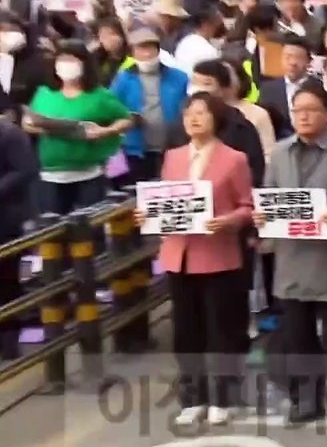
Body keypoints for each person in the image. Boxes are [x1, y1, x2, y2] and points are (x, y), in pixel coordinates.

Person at [258, 81, 327, 427]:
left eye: (311, 110)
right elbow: (268, 196)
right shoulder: (278, 153)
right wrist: (262, 215)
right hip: (291, 260)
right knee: (298, 337)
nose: (303, 117)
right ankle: (305, 399)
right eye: (297, 111)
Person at [144, 92, 255, 426]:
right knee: (186, 330)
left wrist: (229, 221)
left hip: (218, 254)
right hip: (179, 254)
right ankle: (192, 396)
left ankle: (225, 395)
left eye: (201, 113)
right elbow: (165, 200)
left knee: (220, 328)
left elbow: (248, 206)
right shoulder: (174, 157)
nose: (194, 119)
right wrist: (147, 213)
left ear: (215, 119)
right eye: (189, 113)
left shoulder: (233, 159)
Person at [23, 41, 134, 215]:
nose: (66, 64)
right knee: (52, 231)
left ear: (84, 63)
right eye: (62, 59)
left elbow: (126, 119)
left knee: (89, 231)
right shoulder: (44, 93)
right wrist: (50, 129)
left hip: (88, 174)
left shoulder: (99, 95)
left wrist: (106, 131)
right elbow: (27, 122)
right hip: (50, 175)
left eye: (72, 59)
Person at [111, 29, 188, 185]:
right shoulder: (123, 79)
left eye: (150, 48)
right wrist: (129, 117)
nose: (146, 54)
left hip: (172, 149)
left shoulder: (179, 77)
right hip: (136, 151)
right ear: (132, 52)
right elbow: (112, 109)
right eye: (141, 49)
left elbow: (188, 106)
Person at [0, 117, 37, 360]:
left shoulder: (9, 133)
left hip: (5, 219)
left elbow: (26, 169)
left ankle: (9, 343)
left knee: (6, 282)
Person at [256, 36, 313, 139]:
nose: (293, 63)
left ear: (309, 62)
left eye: (298, 58)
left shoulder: (318, 87)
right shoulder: (267, 89)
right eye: (288, 57)